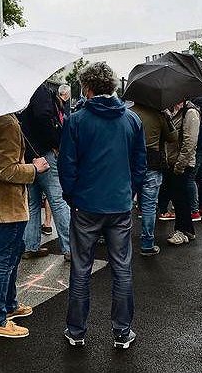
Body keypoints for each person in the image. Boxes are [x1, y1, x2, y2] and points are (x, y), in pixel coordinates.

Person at [58, 62, 146, 349]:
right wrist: (129, 192)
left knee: (81, 268)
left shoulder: (77, 120)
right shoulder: (132, 120)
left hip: (85, 204)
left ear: (87, 87)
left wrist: (72, 196)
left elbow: (67, 165)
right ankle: (122, 331)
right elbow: (139, 165)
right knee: (122, 267)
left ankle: (76, 330)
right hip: (119, 204)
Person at [0, 113, 48, 338]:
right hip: (9, 202)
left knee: (13, 253)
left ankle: (8, 305)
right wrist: (35, 168)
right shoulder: (6, 123)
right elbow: (7, 170)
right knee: (6, 259)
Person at [19, 82, 71, 260]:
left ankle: (30, 246)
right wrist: (55, 142)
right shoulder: (38, 89)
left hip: (26, 155)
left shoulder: (19, 91)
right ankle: (70, 248)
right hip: (43, 153)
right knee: (57, 200)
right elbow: (43, 116)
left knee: (33, 203)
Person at [130, 102, 175, 256]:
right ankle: (147, 244)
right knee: (149, 205)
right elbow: (172, 137)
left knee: (125, 202)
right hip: (153, 161)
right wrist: (168, 118)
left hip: (131, 162)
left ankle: (119, 242)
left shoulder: (128, 113)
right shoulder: (159, 114)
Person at [163, 100, 200, 246]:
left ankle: (182, 231)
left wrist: (179, 165)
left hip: (182, 164)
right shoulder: (174, 111)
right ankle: (188, 230)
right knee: (178, 198)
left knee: (180, 199)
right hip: (174, 161)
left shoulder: (190, 112)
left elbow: (190, 142)